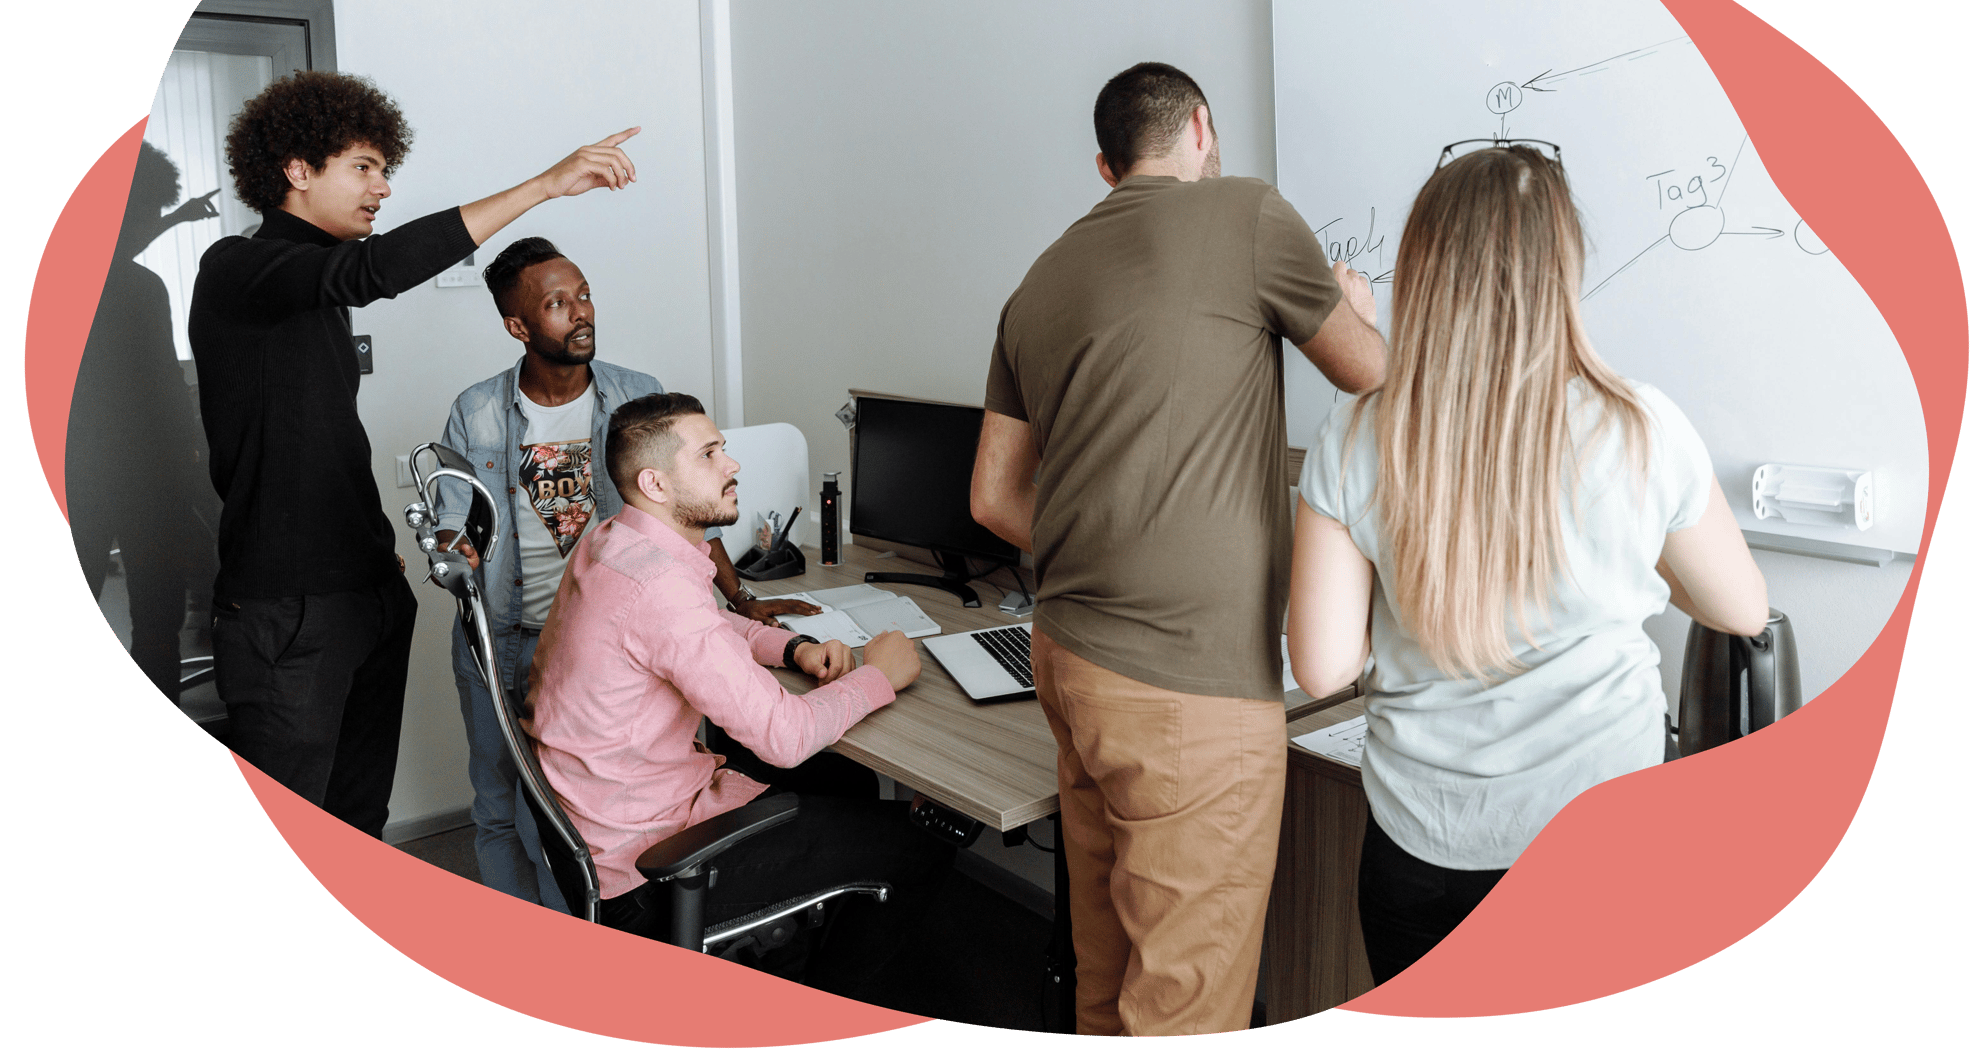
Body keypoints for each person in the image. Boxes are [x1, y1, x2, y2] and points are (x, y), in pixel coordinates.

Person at [1286, 141, 1769, 985]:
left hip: (1422, 848)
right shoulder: (1640, 426)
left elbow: (1321, 665)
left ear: (1424, 269)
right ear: (1561, 270)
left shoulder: (1358, 434)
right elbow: (1743, 610)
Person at [969, 61, 1386, 1035]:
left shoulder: (1036, 283)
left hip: (1068, 661)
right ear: (1200, 127)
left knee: (1109, 969)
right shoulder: (1246, 215)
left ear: (1104, 165)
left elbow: (992, 495)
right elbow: (1368, 374)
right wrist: (1353, 308)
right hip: (1186, 686)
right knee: (1186, 1004)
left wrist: (1104, 530)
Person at [189, 68, 638, 838]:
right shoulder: (238, 269)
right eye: (364, 167)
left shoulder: (313, 296)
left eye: (384, 169)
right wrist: (545, 185)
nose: (383, 188)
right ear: (297, 170)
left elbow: (319, 441)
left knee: (357, 823)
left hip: (363, 596)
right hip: (287, 614)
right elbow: (372, 273)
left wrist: (373, 556)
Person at [525, 394, 952, 1000]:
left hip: (603, 829)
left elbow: (698, 627)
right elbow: (785, 739)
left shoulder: (614, 542)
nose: (733, 465)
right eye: (710, 453)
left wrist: (791, 648)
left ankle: (801, 955)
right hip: (651, 869)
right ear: (657, 483)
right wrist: (880, 674)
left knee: (851, 786)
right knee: (920, 844)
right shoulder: (659, 584)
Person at [435, 237, 821, 906]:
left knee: (597, 825)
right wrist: (453, 544)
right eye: (557, 303)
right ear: (519, 326)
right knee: (505, 809)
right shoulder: (475, 411)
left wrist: (739, 599)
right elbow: (451, 518)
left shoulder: (634, 393)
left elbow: (685, 516)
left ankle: (585, 950)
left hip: (612, 650)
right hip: (504, 641)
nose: (580, 311)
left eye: (583, 293)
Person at [68, 141, 222, 704]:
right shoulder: (138, 289)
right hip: (143, 479)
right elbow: (166, 391)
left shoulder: (65, 284)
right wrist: (194, 469)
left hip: (82, 475)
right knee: (157, 625)